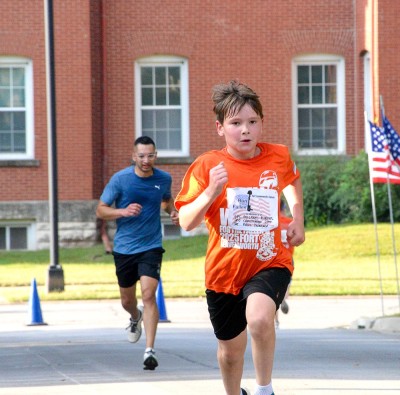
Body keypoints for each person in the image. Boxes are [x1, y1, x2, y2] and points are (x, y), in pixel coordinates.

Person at [175, 80, 304, 395]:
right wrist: (210, 192)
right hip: (224, 271)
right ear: (220, 128)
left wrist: (298, 218)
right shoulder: (207, 166)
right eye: (235, 123)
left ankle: (265, 389)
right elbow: (187, 221)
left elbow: (292, 181)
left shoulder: (278, 156)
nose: (245, 130)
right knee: (230, 353)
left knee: (260, 320)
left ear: (261, 124)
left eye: (252, 122)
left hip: (269, 259)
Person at [96, 136, 179, 371]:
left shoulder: (163, 178)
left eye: (150, 155)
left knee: (149, 294)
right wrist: (123, 211)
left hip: (151, 245)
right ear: (134, 156)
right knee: (127, 300)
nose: (146, 160)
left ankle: (149, 350)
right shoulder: (120, 180)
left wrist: (173, 212)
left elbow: (165, 200)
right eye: (141, 156)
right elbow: (101, 210)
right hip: (124, 248)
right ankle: (135, 317)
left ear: (156, 155)